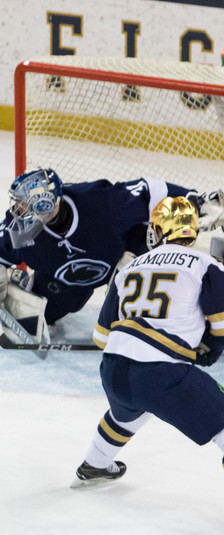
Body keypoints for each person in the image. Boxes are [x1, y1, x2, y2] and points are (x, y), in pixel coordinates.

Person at [71, 196, 224, 487]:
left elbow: (101, 337)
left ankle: (95, 464)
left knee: (128, 413)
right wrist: (212, 347)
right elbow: (222, 323)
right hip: (161, 372)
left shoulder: (130, 267)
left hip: (113, 370)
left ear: (158, 231)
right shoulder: (205, 263)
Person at [0, 168, 223, 333]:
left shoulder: (101, 204)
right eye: (18, 206)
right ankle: (28, 285)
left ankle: (195, 314)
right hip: (62, 282)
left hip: (120, 257)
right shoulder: (17, 234)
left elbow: (148, 190)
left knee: (162, 243)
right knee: (36, 318)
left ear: (47, 207)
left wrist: (193, 200)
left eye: (24, 206)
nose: (17, 212)